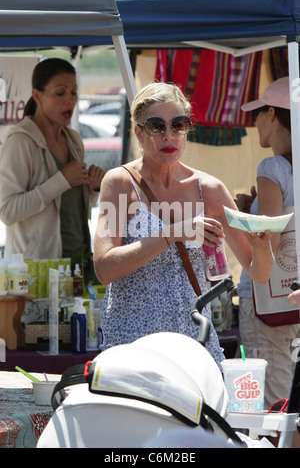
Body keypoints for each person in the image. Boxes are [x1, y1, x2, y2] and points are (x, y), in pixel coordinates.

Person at [93, 82, 273, 368]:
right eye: (156, 126)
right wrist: (173, 233)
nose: (169, 135)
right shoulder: (121, 183)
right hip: (132, 345)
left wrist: (262, 245)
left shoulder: (209, 189)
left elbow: (259, 272)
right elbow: (104, 268)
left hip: (194, 344)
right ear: (139, 132)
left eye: (178, 125)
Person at [0, 58, 104, 279]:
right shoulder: (20, 142)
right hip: (37, 272)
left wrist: (93, 188)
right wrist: (61, 181)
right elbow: (7, 212)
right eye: (60, 93)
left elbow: (72, 207)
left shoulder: (73, 140)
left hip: (79, 265)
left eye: (74, 92)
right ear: (37, 96)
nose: (70, 100)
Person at [237, 76, 300, 410]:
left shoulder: (273, 167)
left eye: (256, 114)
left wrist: (240, 216)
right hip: (297, 300)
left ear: (273, 114)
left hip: (268, 304)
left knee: (271, 406)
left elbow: (268, 242)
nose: (255, 122)